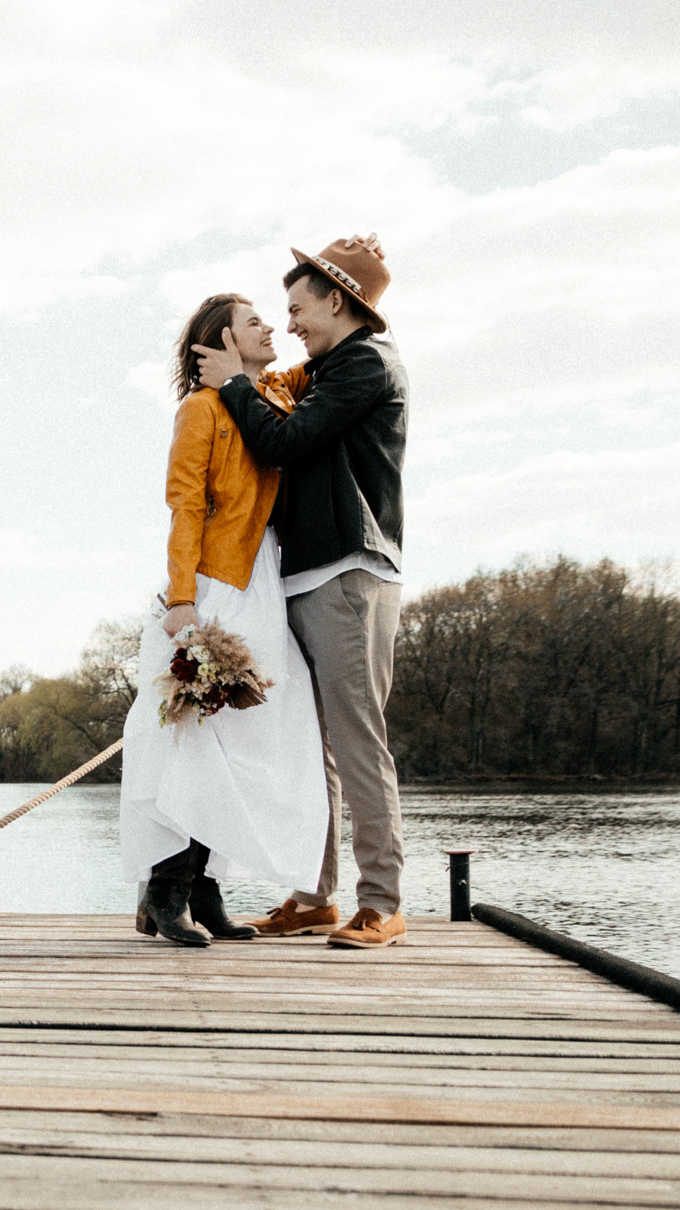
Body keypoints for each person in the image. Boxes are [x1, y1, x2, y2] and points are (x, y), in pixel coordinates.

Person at [191, 235, 411, 950]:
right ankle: (315, 897)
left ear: (337, 300)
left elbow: (285, 443)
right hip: (305, 575)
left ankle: (381, 901)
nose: (289, 324)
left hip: (348, 572)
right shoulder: (322, 370)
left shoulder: (366, 365)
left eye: (297, 307)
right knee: (312, 747)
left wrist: (232, 382)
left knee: (356, 740)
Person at [121, 295, 328, 946]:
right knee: (196, 740)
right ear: (223, 341)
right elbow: (185, 505)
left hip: (263, 582)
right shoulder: (200, 409)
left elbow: (329, 360)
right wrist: (182, 599)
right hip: (214, 584)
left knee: (247, 742)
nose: (271, 327)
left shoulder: (269, 398)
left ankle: (204, 888)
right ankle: (169, 890)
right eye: (254, 322)